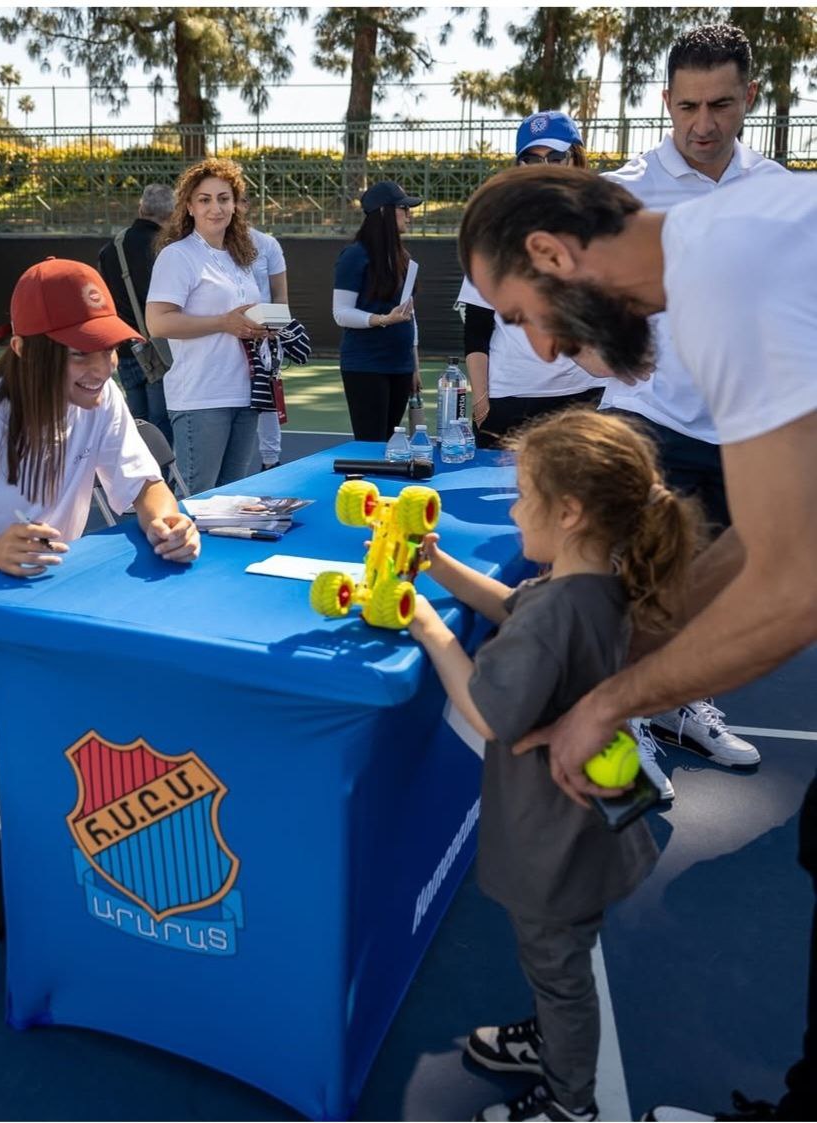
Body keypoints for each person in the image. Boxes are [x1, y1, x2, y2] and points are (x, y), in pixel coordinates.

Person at [457, 165, 817, 1121]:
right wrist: (636, 634)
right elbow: (766, 536)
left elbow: (793, 585)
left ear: (550, 251)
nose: (543, 345)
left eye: (522, 311)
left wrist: (607, 700)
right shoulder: (740, 243)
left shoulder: (727, 279)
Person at [410, 408, 702, 1123]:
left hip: (553, 834)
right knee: (560, 959)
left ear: (567, 511)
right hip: (595, 818)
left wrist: (427, 627)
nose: (511, 508)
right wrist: (439, 565)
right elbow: (515, 607)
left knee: (558, 968)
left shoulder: (556, 612)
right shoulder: (595, 585)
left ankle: (570, 1104)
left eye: (521, 494)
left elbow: (489, 714)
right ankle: (549, 1029)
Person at [0, 257, 201, 705]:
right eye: (78, 353)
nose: (103, 368)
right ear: (24, 349)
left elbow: (145, 485)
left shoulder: (101, 397)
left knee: (150, 653)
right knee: (69, 686)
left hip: (46, 594)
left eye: (108, 347)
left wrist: (168, 522)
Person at [598, 23, 782, 794]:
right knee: (637, 577)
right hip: (645, 420)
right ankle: (623, 719)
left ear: (748, 99)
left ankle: (679, 703)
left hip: (739, 425)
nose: (702, 124)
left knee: (708, 587)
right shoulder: (619, 190)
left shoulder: (775, 189)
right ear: (664, 103)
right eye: (686, 107)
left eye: (720, 104)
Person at [458, 111, 602, 449]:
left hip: (585, 397)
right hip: (512, 400)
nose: (544, 166)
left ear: (575, 159)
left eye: (556, 157)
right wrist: (482, 402)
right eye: (532, 158)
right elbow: (476, 331)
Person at [146, 158, 269, 496]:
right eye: (205, 199)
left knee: (232, 501)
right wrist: (224, 323)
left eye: (224, 198)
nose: (216, 207)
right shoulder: (178, 256)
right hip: (201, 397)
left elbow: (241, 317)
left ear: (236, 204)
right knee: (197, 500)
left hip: (246, 393)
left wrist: (263, 328)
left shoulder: (238, 257)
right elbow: (157, 323)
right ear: (188, 206)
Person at [332, 180, 421, 441]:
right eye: (403, 208)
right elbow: (341, 312)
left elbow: (410, 314)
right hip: (366, 365)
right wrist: (383, 319)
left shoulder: (402, 257)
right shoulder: (354, 256)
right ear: (384, 212)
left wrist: (413, 365)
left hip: (400, 366)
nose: (409, 214)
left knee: (391, 444)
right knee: (370, 444)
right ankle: (360, 484)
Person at [97, 183, 175, 445]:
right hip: (161, 348)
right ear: (172, 214)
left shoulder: (112, 248)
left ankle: (137, 480)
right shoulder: (166, 250)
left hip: (126, 348)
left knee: (137, 423)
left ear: (141, 208)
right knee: (162, 424)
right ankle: (162, 480)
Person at [242, 194, 289, 470]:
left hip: (263, 341)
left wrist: (274, 330)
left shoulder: (267, 244)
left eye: (233, 199)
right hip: (224, 341)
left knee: (267, 402)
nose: (228, 207)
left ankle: (271, 464)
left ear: (246, 205)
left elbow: (281, 297)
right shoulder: (201, 246)